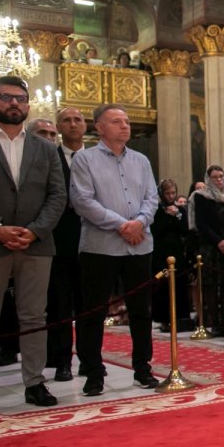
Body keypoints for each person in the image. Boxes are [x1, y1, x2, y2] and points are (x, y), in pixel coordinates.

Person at [0, 76, 67, 416]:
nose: (14, 103)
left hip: (35, 244)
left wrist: (34, 231)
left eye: (21, 98)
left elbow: (57, 195)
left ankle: (35, 382)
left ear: (28, 105)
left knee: (34, 316)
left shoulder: (46, 148)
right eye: (6, 97)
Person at [71, 104, 159, 395]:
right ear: (99, 127)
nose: (125, 126)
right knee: (93, 312)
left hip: (139, 245)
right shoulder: (84, 159)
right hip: (101, 247)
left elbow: (152, 198)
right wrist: (123, 225)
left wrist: (140, 223)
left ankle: (143, 368)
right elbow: (83, 202)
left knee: (141, 311)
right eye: (116, 121)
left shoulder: (141, 160)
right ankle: (94, 373)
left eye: (127, 121)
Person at [45, 106, 86, 382]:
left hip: (92, 239)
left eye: (77, 119)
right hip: (59, 239)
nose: (73, 124)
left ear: (85, 125)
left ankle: (89, 359)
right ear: (59, 127)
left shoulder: (96, 158)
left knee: (89, 305)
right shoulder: (49, 157)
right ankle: (62, 361)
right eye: (66, 120)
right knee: (60, 305)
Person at [191, 166, 224, 337]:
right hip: (210, 246)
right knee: (211, 285)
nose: (219, 180)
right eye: (215, 177)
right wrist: (218, 241)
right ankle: (214, 322)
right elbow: (201, 223)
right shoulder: (201, 197)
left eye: (221, 176)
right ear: (208, 179)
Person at [150, 178, 191, 331]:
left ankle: (180, 318)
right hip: (160, 252)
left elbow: (184, 231)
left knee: (179, 286)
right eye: (167, 193)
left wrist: (176, 216)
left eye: (173, 193)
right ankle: (163, 318)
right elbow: (155, 231)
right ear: (162, 193)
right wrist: (167, 216)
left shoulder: (181, 210)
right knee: (162, 287)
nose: (171, 196)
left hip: (177, 252)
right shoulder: (156, 210)